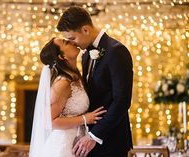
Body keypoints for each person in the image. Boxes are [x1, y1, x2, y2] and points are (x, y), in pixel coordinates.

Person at [57, 6, 133, 157]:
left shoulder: (116, 51)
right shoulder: (85, 55)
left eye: (72, 38)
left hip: (110, 140)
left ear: (85, 30)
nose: (73, 44)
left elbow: (122, 101)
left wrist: (94, 136)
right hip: (87, 141)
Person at [29, 37, 106, 157]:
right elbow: (49, 121)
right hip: (62, 148)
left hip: (76, 144)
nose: (71, 41)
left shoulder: (76, 76)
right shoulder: (62, 83)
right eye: (66, 42)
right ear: (62, 56)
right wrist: (85, 119)